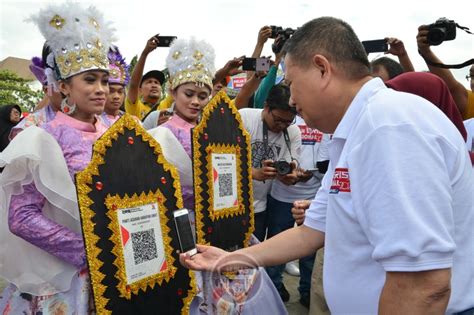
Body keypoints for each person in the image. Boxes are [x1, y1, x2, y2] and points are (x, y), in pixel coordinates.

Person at [180, 17, 474, 314]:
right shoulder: (356, 131)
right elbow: (310, 233)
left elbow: (422, 286)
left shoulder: (387, 126)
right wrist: (231, 259)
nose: (292, 100)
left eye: (292, 83)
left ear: (322, 68)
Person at [149, 37, 287, 315]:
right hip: (182, 231)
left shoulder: (218, 128)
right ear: (174, 92)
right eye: (189, 94)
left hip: (225, 225)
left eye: (203, 95)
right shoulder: (158, 136)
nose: (197, 102)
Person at [0, 3, 111, 313]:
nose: (101, 90)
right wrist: (88, 250)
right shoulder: (43, 137)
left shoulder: (118, 133)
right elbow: (21, 217)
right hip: (67, 279)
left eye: (104, 80)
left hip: (119, 269)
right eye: (89, 80)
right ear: (63, 86)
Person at [238, 84, 301, 242]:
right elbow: (222, 162)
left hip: (260, 205)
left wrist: (288, 175)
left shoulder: (292, 131)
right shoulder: (244, 118)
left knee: (254, 257)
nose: (281, 126)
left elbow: (289, 164)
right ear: (266, 107)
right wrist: (254, 173)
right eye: (278, 120)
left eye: (288, 122)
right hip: (234, 205)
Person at [417, 25, 474, 119]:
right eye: (472, 76)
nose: (473, 82)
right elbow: (452, 87)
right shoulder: (470, 102)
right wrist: (425, 51)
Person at [9, 44, 63, 140]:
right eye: (60, 84)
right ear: (46, 89)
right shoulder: (29, 126)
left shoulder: (93, 118)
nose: (67, 90)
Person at [125, 35, 168, 120]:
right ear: (140, 90)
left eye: (157, 83)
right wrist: (145, 53)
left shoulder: (165, 105)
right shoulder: (135, 106)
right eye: (149, 82)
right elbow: (134, 84)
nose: (154, 85)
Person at [100, 46, 130, 127]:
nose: (116, 96)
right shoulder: (94, 121)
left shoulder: (133, 121)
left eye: (120, 92)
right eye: (111, 91)